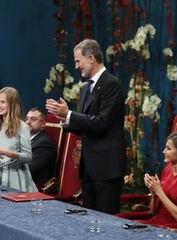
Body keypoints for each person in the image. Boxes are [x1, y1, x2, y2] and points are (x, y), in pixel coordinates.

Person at [46, 39, 126, 214]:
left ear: (91, 58)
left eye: (77, 61)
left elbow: (100, 123)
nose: (76, 66)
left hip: (107, 169)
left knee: (105, 224)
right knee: (88, 221)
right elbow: (87, 125)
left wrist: (69, 114)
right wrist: (65, 119)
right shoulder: (86, 88)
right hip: (89, 167)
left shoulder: (111, 84)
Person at [0, 87, 37, 192]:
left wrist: (5, 152)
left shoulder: (22, 127)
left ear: (13, 104)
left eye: (3, 102)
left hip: (16, 178)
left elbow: (27, 157)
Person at [25, 107, 57, 185]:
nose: (28, 122)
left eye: (33, 119)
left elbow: (28, 169)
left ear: (43, 124)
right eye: (26, 119)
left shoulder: (44, 143)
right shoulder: (24, 138)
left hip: (33, 187)